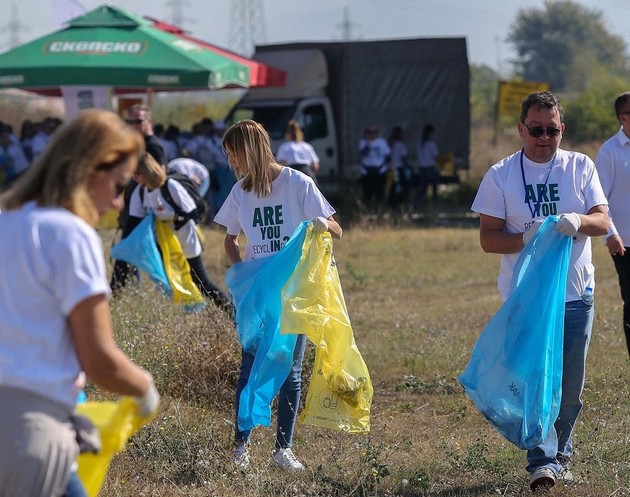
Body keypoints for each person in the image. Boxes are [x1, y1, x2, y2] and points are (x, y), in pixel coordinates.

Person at [0, 109, 160, 497]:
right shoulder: (71, 234)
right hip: (30, 433)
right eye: (120, 185)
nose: (119, 203)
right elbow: (99, 360)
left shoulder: (6, 220)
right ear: (92, 170)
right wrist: (145, 390)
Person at [471, 91, 609, 491]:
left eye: (552, 130)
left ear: (561, 130)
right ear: (521, 129)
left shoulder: (580, 166)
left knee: (569, 387)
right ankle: (542, 460)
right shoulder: (501, 175)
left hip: (574, 295)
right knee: (535, 379)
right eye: (536, 130)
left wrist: (577, 220)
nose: (544, 138)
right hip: (525, 299)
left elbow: (602, 222)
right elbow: (488, 239)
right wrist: (525, 237)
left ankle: (560, 451)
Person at [214, 119, 342, 471]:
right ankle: (241, 447)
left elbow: (337, 228)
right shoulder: (241, 190)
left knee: (291, 370)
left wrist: (321, 225)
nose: (232, 161)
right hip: (259, 294)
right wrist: (244, 273)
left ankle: (282, 450)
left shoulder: (297, 183)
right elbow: (230, 237)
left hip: (294, 291)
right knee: (250, 366)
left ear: (250, 149)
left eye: (233, 153)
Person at [129, 153, 231, 312]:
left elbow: (193, 212)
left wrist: (172, 217)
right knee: (172, 282)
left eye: (137, 173)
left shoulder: (170, 186)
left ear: (147, 171)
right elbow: (134, 220)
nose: (134, 178)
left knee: (201, 282)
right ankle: (193, 311)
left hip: (186, 239)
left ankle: (231, 312)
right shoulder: (140, 192)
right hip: (164, 244)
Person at [110, 104, 167, 293]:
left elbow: (160, 177)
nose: (133, 125)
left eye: (138, 121)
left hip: (146, 209)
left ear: (149, 121)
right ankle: (128, 287)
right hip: (135, 205)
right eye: (130, 121)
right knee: (131, 247)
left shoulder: (153, 146)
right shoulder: (134, 144)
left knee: (130, 246)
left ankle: (117, 290)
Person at [595, 91, 630, 358]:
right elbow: (599, 198)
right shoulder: (609, 152)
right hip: (625, 242)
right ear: (623, 118)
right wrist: (611, 233)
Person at [358, 124, 390, 212]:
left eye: (374, 132)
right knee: (368, 193)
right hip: (367, 171)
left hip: (380, 170)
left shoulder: (382, 142)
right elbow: (363, 153)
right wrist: (369, 143)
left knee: (380, 192)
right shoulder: (363, 142)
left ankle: (379, 209)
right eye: (370, 132)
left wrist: (390, 168)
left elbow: (387, 156)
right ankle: (367, 210)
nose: (372, 134)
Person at [415, 123, 440, 206]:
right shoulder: (431, 144)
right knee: (434, 189)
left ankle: (416, 204)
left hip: (422, 168)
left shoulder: (419, 144)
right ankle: (434, 205)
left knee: (422, 189)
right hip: (430, 168)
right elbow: (435, 156)